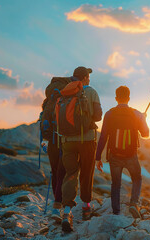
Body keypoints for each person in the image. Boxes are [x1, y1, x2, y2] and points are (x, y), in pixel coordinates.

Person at [95, 86, 149, 218]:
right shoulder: (136, 114)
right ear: (129, 98)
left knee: (116, 183)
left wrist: (98, 157)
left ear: (116, 98)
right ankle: (133, 204)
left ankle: (116, 211)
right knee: (137, 178)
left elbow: (103, 137)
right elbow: (146, 134)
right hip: (131, 155)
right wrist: (143, 118)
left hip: (114, 155)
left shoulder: (109, 114)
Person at [60, 66, 102, 232]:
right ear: (84, 78)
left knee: (70, 174)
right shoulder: (91, 92)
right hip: (86, 139)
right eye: (88, 76)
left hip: (67, 140)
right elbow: (98, 116)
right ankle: (86, 208)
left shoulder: (65, 92)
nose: (89, 79)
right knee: (87, 172)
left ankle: (66, 212)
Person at [40, 76, 71, 220]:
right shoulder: (64, 98)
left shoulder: (48, 101)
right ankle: (61, 205)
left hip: (51, 140)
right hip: (62, 140)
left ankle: (55, 204)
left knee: (54, 171)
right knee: (63, 172)